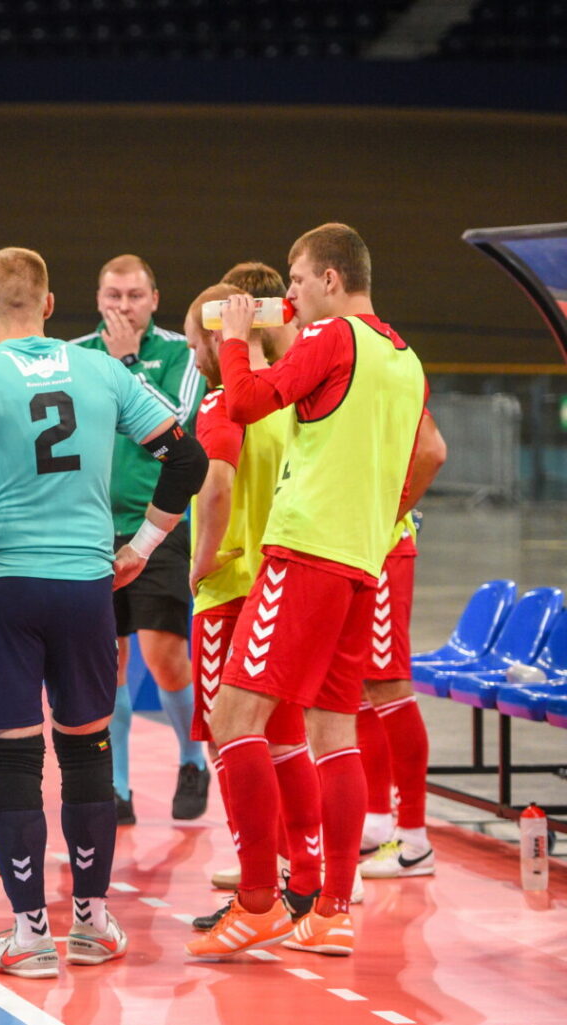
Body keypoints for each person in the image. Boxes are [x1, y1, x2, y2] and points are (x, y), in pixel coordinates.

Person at [0, 247, 206, 979]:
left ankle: (29, 933)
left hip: (4, 587)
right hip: (87, 584)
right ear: (52, 305)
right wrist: (142, 547)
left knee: (15, 755)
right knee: (88, 749)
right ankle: (90, 921)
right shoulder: (101, 369)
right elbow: (187, 460)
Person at [187, 223, 443, 961]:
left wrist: (236, 338)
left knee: (234, 717)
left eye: (296, 280)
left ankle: (257, 901)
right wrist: (381, 519)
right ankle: (330, 910)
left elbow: (244, 401)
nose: (290, 295)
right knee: (334, 733)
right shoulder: (405, 357)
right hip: (363, 561)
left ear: (331, 279)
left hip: (304, 552)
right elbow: (429, 451)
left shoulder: (333, 335)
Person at [181, 281, 324, 932]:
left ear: (219, 339)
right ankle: (306, 879)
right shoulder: (294, 402)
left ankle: (255, 887)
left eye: (195, 344)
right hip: (281, 586)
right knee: (288, 739)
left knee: (231, 739)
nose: (194, 357)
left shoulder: (222, 404)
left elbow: (216, 486)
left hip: (231, 589)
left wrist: (201, 559)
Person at [74, 255, 208, 824]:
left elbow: (177, 418)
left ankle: (192, 759)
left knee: (163, 653)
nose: (123, 306)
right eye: (113, 295)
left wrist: (128, 364)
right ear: (98, 298)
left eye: (134, 295)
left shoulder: (181, 353)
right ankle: (118, 787)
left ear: (154, 298)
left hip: (159, 524)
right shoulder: (76, 354)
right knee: (106, 661)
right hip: (91, 528)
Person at [358, 452, 444, 879]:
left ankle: (414, 840)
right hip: (352, 547)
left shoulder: (401, 398)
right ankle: (376, 821)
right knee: (359, 685)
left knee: (387, 682)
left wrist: (387, 516)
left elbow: (432, 451)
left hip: (382, 549)